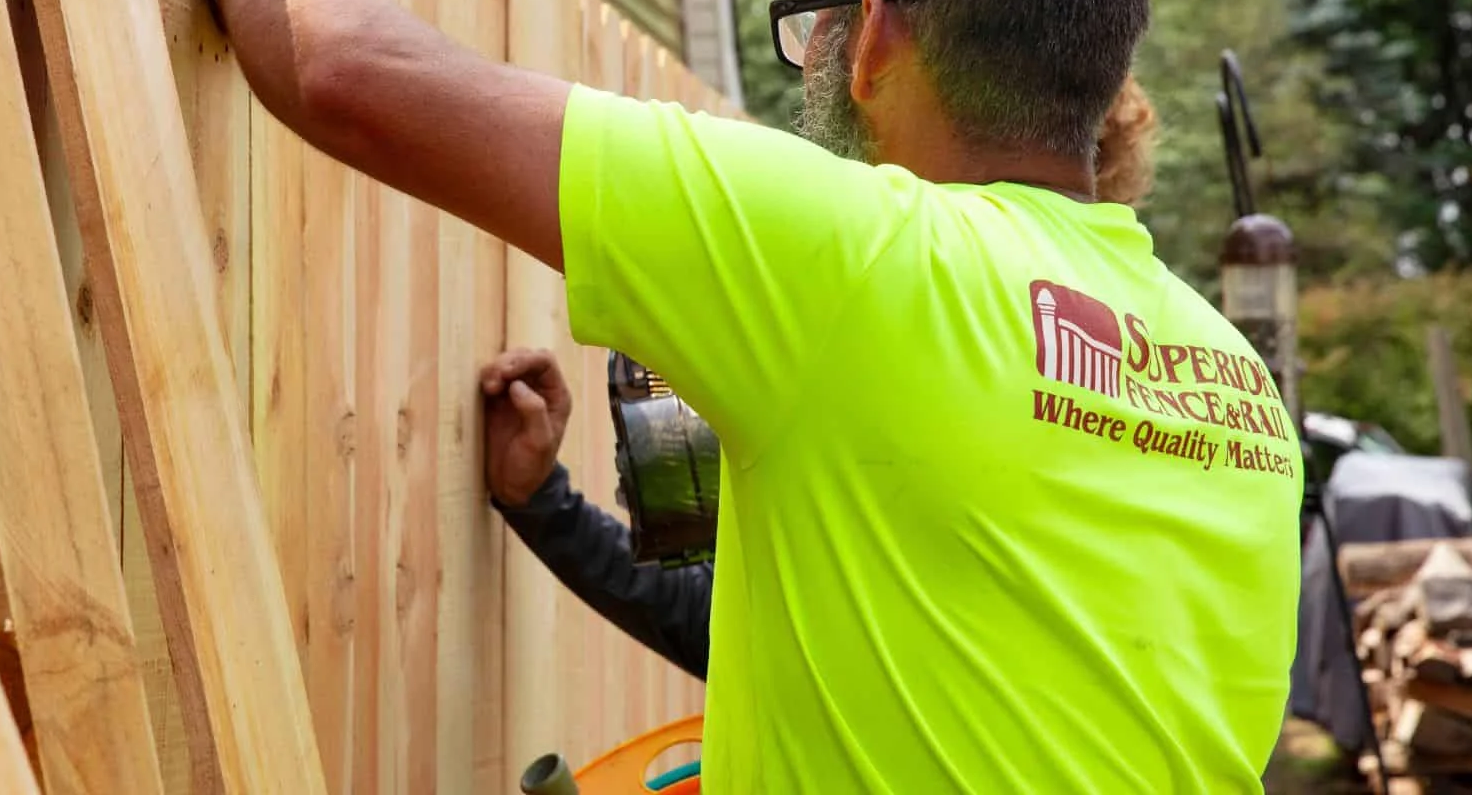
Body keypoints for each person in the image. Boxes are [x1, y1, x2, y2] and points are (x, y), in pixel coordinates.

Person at [199, 0, 1303, 792]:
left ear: (870, 36)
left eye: (815, 13)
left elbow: (339, 69)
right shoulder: (1241, 389)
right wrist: (546, 507)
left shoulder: (858, 258)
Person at [478, 77, 1165, 685]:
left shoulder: (872, 329)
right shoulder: (1158, 376)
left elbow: (714, 618)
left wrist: (546, 504)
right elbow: (723, 620)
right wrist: (544, 501)